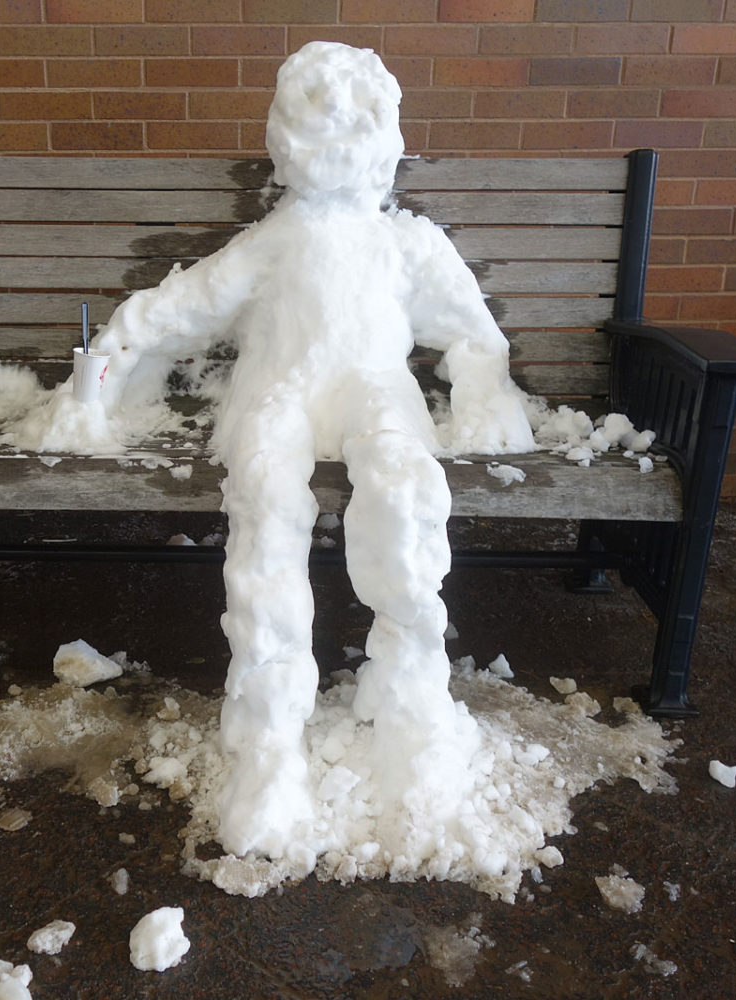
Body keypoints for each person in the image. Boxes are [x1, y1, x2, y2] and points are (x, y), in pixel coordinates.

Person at [90, 41, 535, 860]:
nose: (332, 141)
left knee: (404, 491)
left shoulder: (406, 245)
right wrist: (105, 368)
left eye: (350, 122)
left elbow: (473, 333)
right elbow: (185, 305)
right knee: (263, 503)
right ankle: (266, 751)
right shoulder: (274, 242)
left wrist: (484, 394)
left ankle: (415, 710)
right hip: (278, 394)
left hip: (376, 392)